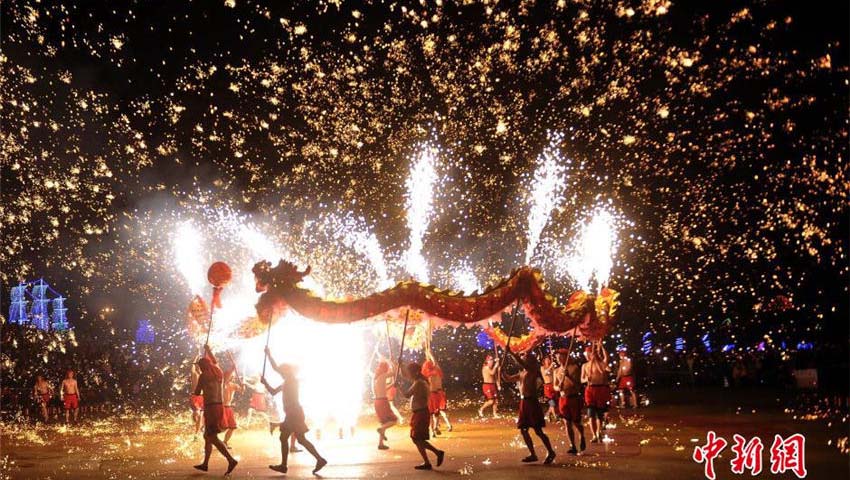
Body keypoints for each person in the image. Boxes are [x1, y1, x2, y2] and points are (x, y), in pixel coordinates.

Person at [262, 347, 327, 475]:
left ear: (286, 371)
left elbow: (275, 368)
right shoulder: (287, 381)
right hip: (294, 413)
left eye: (282, 371)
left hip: (294, 413)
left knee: (287, 437)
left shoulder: (291, 381)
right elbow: (273, 392)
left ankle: (285, 465)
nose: (280, 373)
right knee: (299, 439)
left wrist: (269, 355)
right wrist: (265, 383)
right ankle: (318, 459)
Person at [502, 347, 556, 464]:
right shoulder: (522, 373)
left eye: (525, 357)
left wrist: (512, 352)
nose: (523, 358)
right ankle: (532, 454)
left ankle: (551, 452)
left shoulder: (532, 370)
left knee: (538, 431)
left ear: (530, 361)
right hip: (524, 403)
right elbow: (507, 379)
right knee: (523, 429)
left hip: (532, 402)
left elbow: (522, 363)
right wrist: (502, 372)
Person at [192, 344, 238, 475]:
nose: (199, 368)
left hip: (211, 408)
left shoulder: (203, 376)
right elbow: (216, 361)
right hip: (219, 406)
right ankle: (205, 464)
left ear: (203, 366)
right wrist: (208, 350)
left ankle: (231, 460)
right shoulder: (218, 372)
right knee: (207, 436)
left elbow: (196, 392)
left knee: (210, 436)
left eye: (200, 366)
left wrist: (198, 389)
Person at [400, 362, 446, 470]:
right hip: (419, 413)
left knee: (417, 438)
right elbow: (405, 376)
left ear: (415, 372)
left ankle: (437, 453)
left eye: (410, 372)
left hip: (421, 413)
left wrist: (399, 387)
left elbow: (407, 395)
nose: (409, 375)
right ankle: (427, 461)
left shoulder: (419, 383)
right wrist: (400, 365)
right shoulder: (419, 380)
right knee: (416, 439)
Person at [554, 348, 586, 454]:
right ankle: (572, 445)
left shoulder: (574, 368)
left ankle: (582, 435)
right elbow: (555, 386)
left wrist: (568, 376)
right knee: (567, 422)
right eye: (557, 357)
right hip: (563, 399)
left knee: (576, 422)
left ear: (566, 357)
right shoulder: (556, 371)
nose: (558, 359)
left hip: (573, 398)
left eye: (560, 356)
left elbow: (577, 385)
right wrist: (558, 387)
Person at [582, 342, 611, 443]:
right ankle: (594, 435)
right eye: (587, 354)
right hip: (590, 390)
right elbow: (581, 380)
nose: (588, 356)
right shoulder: (585, 366)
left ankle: (599, 433)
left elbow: (606, 358)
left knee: (599, 414)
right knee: (591, 414)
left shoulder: (601, 364)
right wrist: (586, 379)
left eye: (590, 353)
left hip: (600, 390)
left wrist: (601, 347)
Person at [422, 350, 452, 435]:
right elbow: (435, 363)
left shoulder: (433, 373)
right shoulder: (431, 374)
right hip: (434, 394)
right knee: (434, 413)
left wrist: (430, 355)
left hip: (436, 394)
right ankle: (434, 429)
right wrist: (430, 355)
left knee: (435, 413)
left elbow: (435, 363)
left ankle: (434, 429)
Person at [373, 358, 400, 450]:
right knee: (393, 420)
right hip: (383, 401)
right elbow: (395, 373)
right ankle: (380, 429)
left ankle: (380, 444)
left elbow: (382, 390)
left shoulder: (375, 378)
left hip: (377, 402)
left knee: (384, 422)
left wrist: (392, 384)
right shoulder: (383, 376)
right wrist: (393, 362)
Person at [222, 366, 243, 449]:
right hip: (222, 408)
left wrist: (243, 385)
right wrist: (232, 369)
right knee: (222, 427)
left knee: (232, 427)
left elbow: (241, 391)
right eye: (231, 375)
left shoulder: (234, 385)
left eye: (233, 375)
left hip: (229, 408)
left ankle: (225, 442)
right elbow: (226, 378)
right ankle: (211, 438)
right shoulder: (223, 384)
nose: (233, 376)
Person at [541, 355, 559, 422]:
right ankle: (555, 416)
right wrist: (551, 366)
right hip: (547, 386)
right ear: (544, 361)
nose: (548, 361)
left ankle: (548, 414)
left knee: (553, 403)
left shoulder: (552, 368)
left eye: (549, 360)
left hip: (553, 385)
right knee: (552, 402)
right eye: (546, 360)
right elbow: (545, 373)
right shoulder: (542, 368)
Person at [190, 358, 204, 438]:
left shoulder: (204, 375)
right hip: (194, 397)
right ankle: (194, 414)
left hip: (202, 397)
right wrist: (196, 355)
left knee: (201, 416)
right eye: (198, 366)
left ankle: (196, 433)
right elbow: (192, 366)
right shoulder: (194, 374)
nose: (199, 367)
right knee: (198, 415)